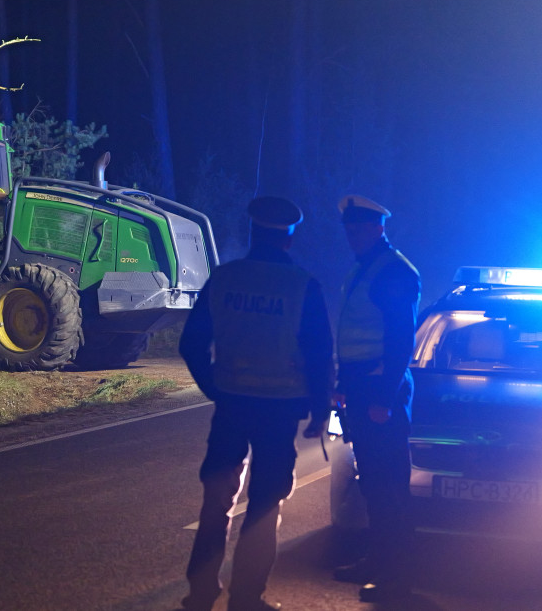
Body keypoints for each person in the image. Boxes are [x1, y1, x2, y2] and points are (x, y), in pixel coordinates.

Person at [179, 196, 334, 611]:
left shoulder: (226, 279)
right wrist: (321, 409)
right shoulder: (303, 285)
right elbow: (319, 354)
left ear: (253, 231)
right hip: (279, 411)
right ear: (288, 238)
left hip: (231, 408)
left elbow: (191, 342)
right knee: (265, 504)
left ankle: (200, 593)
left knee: (216, 500)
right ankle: (246, 598)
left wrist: (216, 387)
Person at [332, 194, 421, 603]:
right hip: (361, 387)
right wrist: (341, 382)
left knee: (389, 488)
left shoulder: (394, 271)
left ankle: (396, 578)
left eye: (359, 228)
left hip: (380, 390)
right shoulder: (364, 267)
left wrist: (383, 398)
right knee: (373, 484)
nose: (352, 235)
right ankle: (378, 562)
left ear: (378, 229)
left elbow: (402, 340)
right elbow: (354, 333)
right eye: (348, 229)